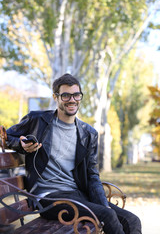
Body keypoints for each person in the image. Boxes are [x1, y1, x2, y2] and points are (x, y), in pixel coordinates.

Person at [6, 74, 141, 234]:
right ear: (55, 97)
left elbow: (92, 176)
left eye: (76, 95)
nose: (72, 100)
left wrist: (103, 204)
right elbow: (5, 137)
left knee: (132, 220)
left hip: (78, 195)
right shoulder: (38, 120)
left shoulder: (88, 133)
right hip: (49, 199)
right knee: (108, 215)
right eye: (66, 95)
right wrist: (20, 145)